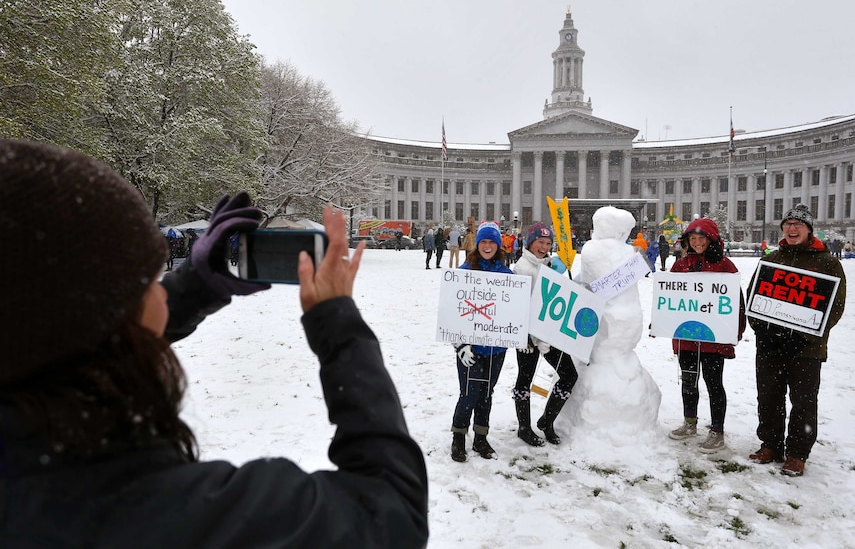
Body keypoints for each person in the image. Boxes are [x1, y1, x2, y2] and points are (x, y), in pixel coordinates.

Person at [0, 139, 429, 548]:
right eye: (147, 281)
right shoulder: (152, 514)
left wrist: (193, 287)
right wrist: (336, 322)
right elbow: (388, 509)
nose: (160, 294)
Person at [746, 204, 846, 477]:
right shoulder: (772, 259)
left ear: (808, 230)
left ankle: (798, 453)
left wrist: (802, 336)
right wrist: (762, 331)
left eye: (798, 225)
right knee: (769, 396)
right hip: (770, 345)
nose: (792, 229)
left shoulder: (827, 262)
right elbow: (753, 296)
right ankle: (771, 444)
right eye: (788, 224)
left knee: (803, 401)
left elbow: (834, 307)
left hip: (806, 348)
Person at [667, 217, 746, 454]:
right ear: (687, 241)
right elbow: (669, 299)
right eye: (693, 238)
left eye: (702, 238)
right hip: (687, 337)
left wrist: (737, 331)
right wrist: (662, 322)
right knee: (688, 381)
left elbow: (736, 303)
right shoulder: (680, 265)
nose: (698, 242)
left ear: (711, 240)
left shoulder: (725, 265)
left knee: (714, 384)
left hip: (714, 340)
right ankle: (689, 422)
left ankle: (717, 430)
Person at [510, 222, 579, 446]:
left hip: (550, 335)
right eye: (540, 242)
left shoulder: (548, 264)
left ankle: (547, 422)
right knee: (525, 380)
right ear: (530, 242)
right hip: (528, 338)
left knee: (569, 375)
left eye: (548, 243)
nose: (544, 246)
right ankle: (523, 428)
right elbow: (523, 307)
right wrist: (532, 338)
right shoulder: (521, 268)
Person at [450, 221, 513, 462]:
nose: (487, 246)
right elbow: (453, 314)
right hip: (469, 347)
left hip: (496, 348)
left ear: (498, 245)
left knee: (486, 393)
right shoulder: (465, 272)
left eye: (492, 242)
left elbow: (513, 312)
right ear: (477, 245)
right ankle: (458, 437)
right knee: (468, 393)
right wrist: (460, 345)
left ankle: (480, 437)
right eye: (483, 242)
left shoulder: (508, 276)